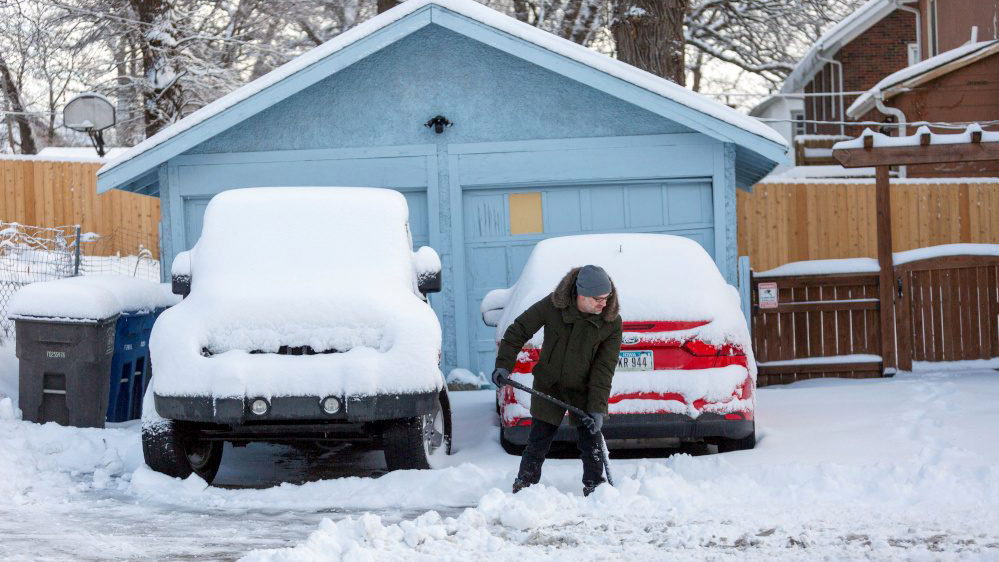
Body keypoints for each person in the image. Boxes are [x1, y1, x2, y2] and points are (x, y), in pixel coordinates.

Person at [492, 265, 622, 496]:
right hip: (550, 384)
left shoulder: (611, 322)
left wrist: (597, 408)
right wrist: (503, 365)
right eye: (597, 299)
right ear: (580, 294)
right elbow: (518, 330)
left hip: (585, 389)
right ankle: (525, 487)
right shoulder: (554, 305)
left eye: (607, 297)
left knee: (591, 442)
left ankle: (596, 490)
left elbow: (604, 368)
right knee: (538, 440)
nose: (603, 304)